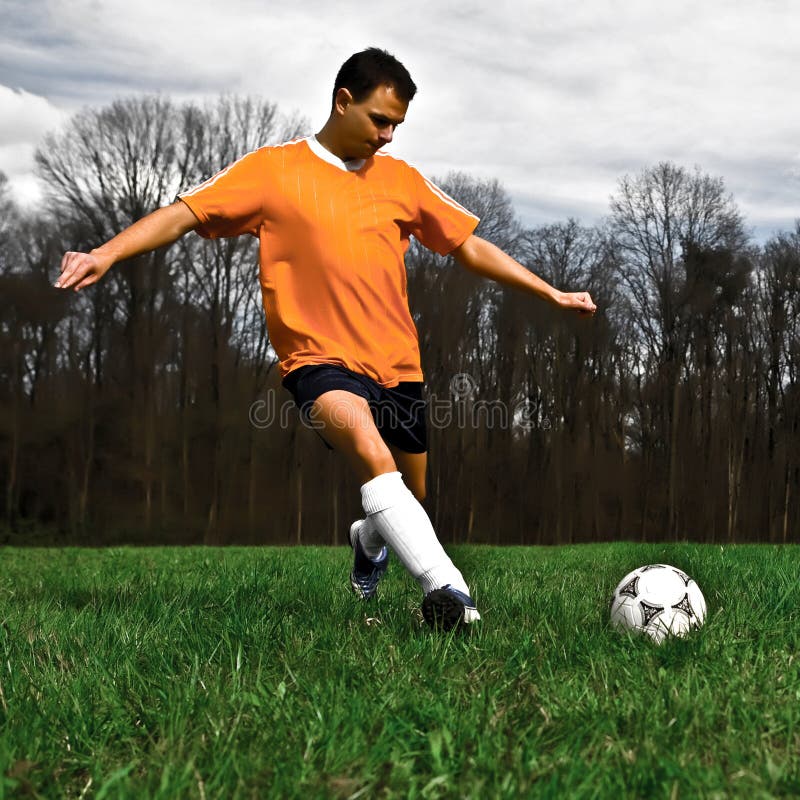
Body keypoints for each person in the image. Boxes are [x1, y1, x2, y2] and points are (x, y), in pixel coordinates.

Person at [55, 48, 596, 631]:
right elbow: (184, 213)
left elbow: (467, 246)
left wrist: (550, 293)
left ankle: (368, 537)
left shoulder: (401, 180)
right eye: (380, 120)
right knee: (370, 450)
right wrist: (106, 252)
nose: (388, 136)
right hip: (317, 362)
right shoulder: (272, 170)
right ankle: (449, 591)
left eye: (397, 125)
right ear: (343, 100)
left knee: (408, 494)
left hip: (398, 367)